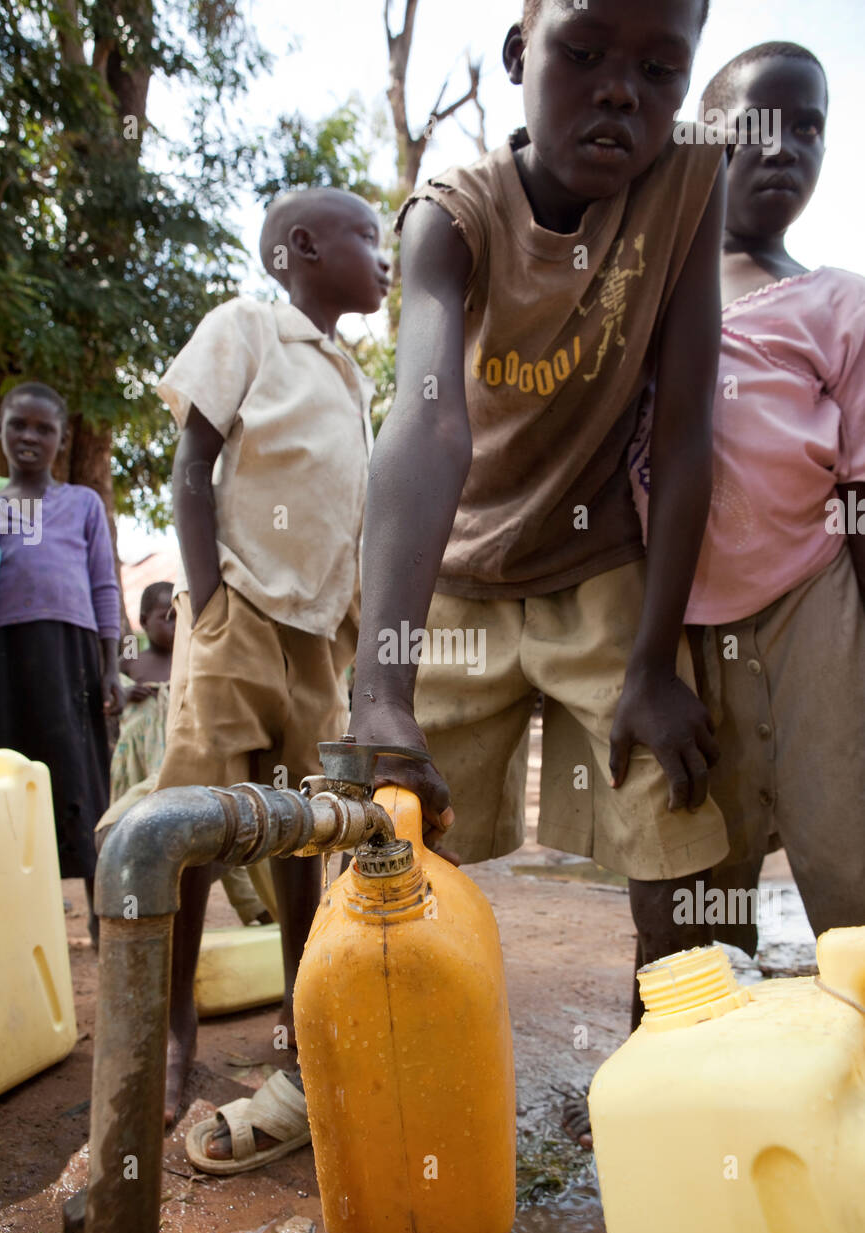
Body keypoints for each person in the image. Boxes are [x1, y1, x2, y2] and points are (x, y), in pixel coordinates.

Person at [346, 0, 730, 1037]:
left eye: (660, 68)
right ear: (520, 53)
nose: (620, 90)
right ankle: (348, 1057)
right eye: (586, 52)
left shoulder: (689, 178)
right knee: (388, 827)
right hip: (457, 565)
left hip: (594, 562)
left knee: (668, 801)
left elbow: (690, 427)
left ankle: (673, 1053)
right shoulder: (451, 212)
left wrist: (651, 664)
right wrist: (381, 688)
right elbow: (425, 430)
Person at [153, 186, 389, 1152]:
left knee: (305, 836)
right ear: (300, 248)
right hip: (240, 613)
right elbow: (191, 463)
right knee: (197, 825)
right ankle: (172, 1027)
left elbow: (354, 515)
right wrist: (208, 598)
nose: (384, 257)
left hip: (318, 635)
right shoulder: (247, 327)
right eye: (367, 239)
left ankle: (299, 1028)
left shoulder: (353, 375)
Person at [631, 43, 865, 953]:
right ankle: (688, 1066)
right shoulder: (641, 298)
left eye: (809, 128)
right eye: (758, 128)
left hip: (816, 608)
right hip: (676, 628)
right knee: (698, 869)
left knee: (845, 852)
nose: (786, 148)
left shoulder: (835, 304)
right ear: (700, 145)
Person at [0, 382, 124, 945]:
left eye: (42, 428)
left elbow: (103, 584)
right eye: (17, 425)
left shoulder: (81, 504)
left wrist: (110, 665)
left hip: (71, 657)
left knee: (80, 777)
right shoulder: (2, 506)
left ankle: (101, 915)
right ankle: (21, 923)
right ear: (1, 430)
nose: (29, 436)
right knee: (9, 778)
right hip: (7, 656)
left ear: (61, 438)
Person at [99, 580, 275, 924]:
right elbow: (110, 694)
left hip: (180, 761)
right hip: (142, 765)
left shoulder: (191, 660)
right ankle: (138, 910)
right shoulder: (135, 660)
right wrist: (125, 694)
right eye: (165, 617)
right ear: (143, 620)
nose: (173, 624)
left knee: (208, 828)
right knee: (140, 827)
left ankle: (258, 909)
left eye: (178, 616)